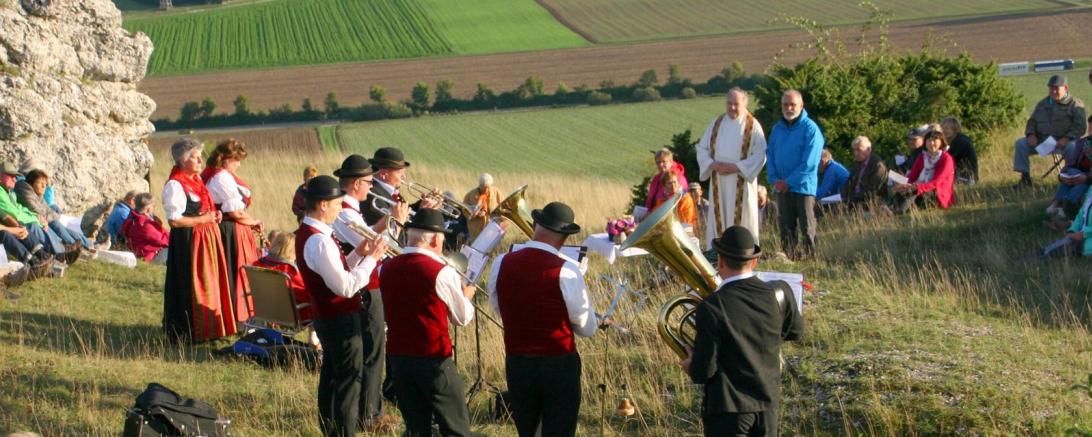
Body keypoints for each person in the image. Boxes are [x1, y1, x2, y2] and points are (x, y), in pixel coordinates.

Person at [488, 201, 600, 437]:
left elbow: (500, 308)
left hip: (517, 361)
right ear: (565, 237)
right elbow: (587, 328)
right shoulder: (568, 270)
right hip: (558, 364)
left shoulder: (501, 262)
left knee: (527, 430)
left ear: (535, 225)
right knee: (559, 429)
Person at [680, 226, 803, 437]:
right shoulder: (780, 292)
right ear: (754, 261)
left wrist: (691, 364)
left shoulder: (711, 306)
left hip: (727, 411)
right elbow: (795, 332)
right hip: (767, 407)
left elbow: (703, 372)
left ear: (719, 261)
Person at [296, 175, 386, 437]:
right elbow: (344, 287)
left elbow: (333, 270)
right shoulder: (320, 240)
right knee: (348, 383)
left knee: (332, 376)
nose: (340, 208)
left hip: (328, 317)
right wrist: (372, 260)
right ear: (323, 205)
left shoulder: (313, 233)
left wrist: (359, 253)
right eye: (337, 204)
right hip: (339, 320)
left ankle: (330, 429)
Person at [379, 208, 477, 437]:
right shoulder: (442, 272)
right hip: (433, 361)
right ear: (434, 238)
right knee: (456, 428)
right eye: (442, 239)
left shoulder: (386, 267)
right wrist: (466, 296)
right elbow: (462, 319)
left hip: (398, 360)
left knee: (416, 428)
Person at [329, 154, 406, 432]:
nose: (371, 185)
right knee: (374, 349)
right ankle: (370, 414)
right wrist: (395, 223)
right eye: (367, 181)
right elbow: (378, 249)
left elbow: (369, 237)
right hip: (365, 287)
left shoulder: (350, 210)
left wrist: (386, 221)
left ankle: (368, 409)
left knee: (373, 348)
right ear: (354, 183)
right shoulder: (346, 214)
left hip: (364, 284)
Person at [161, 137, 236, 343]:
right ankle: (191, 331)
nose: (200, 161)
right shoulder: (175, 185)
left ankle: (211, 329)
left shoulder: (196, 181)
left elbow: (203, 207)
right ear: (183, 161)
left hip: (205, 240)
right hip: (190, 243)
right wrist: (204, 219)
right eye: (195, 157)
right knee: (193, 284)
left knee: (210, 282)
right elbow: (174, 221)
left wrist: (215, 215)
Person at [696, 87, 767, 248]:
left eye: (736, 104)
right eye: (729, 104)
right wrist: (712, 164)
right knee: (719, 222)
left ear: (745, 104)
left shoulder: (753, 126)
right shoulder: (717, 123)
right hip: (718, 182)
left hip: (741, 182)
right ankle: (717, 257)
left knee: (742, 222)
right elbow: (701, 148)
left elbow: (760, 155)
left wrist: (736, 167)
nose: (732, 108)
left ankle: (742, 254)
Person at [203, 139, 262, 324]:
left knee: (231, 272)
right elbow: (234, 211)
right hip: (230, 231)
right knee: (236, 272)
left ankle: (235, 317)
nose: (239, 165)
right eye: (237, 160)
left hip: (229, 228)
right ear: (227, 159)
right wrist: (254, 222)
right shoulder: (221, 177)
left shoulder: (213, 174)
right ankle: (238, 317)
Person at [766, 89, 825, 259]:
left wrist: (788, 182)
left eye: (793, 104)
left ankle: (812, 258)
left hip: (803, 187)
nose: (789, 108)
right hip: (781, 188)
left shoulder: (811, 129)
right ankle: (789, 258)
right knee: (785, 227)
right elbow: (770, 156)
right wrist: (775, 180)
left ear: (801, 105)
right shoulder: (777, 129)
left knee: (807, 227)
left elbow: (810, 162)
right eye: (785, 104)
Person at [1013, 75, 1087, 187]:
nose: (1053, 91)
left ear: (1065, 88)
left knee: (1073, 147)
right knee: (1021, 144)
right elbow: (1032, 121)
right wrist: (1031, 134)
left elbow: (1080, 126)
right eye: (1051, 88)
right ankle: (1025, 178)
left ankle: (1070, 177)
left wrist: (1067, 138)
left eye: (1056, 88)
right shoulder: (1043, 104)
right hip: (1042, 140)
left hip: (1064, 141)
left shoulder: (1075, 104)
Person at [361, 147, 441, 227]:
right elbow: (392, 228)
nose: (404, 177)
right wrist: (422, 213)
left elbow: (404, 211)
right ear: (383, 174)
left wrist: (422, 204)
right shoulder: (371, 194)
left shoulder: (387, 190)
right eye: (400, 173)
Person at [15, 169, 93, 251]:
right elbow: (39, 212)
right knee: (56, 223)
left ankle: (84, 245)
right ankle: (78, 247)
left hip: (44, 219)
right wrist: (57, 216)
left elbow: (46, 209)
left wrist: (56, 216)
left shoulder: (35, 193)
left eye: (45, 184)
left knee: (61, 226)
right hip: (35, 222)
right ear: (31, 183)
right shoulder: (25, 193)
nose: (44, 186)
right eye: (40, 183)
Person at [0, 162, 56, 262]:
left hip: (13, 224)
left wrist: (35, 216)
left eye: (15, 176)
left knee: (25, 226)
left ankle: (45, 256)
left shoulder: (9, 192)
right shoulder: (9, 190)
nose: (14, 179)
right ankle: (38, 260)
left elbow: (7, 215)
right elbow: (15, 213)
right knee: (29, 225)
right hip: (7, 228)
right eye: (11, 176)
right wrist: (14, 229)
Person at [252, 230, 312, 322]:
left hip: (264, 310)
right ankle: (314, 333)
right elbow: (305, 294)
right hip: (292, 314)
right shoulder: (289, 270)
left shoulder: (257, 264)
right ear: (292, 249)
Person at [891, 129, 955, 214]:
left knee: (912, 191)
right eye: (929, 140)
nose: (931, 143)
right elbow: (912, 176)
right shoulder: (922, 156)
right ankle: (891, 208)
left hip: (936, 193)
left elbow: (936, 182)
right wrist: (904, 185)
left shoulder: (946, 159)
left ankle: (899, 211)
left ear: (941, 142)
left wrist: (917, 187)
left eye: (935, 140)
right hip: (921, 190)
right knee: (903, 190)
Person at [1045, 133, 1092, 222]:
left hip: (1087, 177)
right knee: (1072, 175)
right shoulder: (1083, 143)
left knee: (1082, 182)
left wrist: (1086, 177)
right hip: (1079, 174)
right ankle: (1064, 208)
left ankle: (1060, 204)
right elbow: (1070, 164)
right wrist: (1062, 176)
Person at [122, 193, 169, 264]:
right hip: (149, 257)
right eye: (153, 206)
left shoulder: (132, 220)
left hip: (138, 254)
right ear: (148, 209)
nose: (154, 208)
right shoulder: (145, 225)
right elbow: (163, 241)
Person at [842, 136, 888, 209]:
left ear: (868, 149)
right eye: (854, 150)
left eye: (859, 150)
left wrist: (851, 200)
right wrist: (844, 198)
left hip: (872, 203)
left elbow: (871, 190)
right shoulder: (858, 163)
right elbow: (848, 184)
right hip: (855, 201)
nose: (855, 153)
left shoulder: (878, 166)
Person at [462, 173, 502, 241]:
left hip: (493, 228)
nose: (486, 189)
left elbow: (502, 208)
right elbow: (465, 211)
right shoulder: (469, 195)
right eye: (484, 187)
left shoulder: (497, 192)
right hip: (476, 230)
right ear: (479, 185)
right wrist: (475, 214)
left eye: (488, 187)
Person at [940, 116, 979, 185]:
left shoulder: (959, 141)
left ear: (955, 130)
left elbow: (944, 159)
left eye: (946, 128)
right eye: (942, 128)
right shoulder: (960, 138)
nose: (943, 131)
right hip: (966, 176)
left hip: (967, 178)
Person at [689, 182, 710, 248]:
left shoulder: (706, 205)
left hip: (704, 235)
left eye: (695, 191)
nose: (692, 193)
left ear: (701, 192)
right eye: (691, 191)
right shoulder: (687, 204)